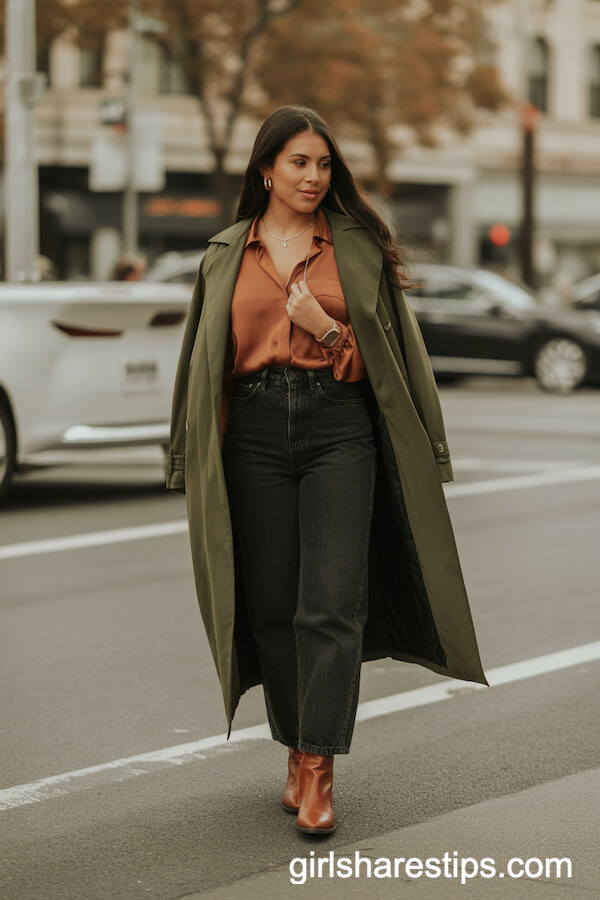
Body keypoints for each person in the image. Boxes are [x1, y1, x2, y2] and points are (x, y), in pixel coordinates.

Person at [167, 106, 487, 835]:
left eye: (323, 165)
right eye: (299, 163)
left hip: (339, 424)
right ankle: (295, 742)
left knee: (331, 602)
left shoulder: (356, 245)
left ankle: (317, 766)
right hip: (250, 431)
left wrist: (327, 329)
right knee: (274, 604)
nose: (314, 177)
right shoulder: (224, 253)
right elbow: (200, 363)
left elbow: (392, 358)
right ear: (266, 170)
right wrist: (190, 455)